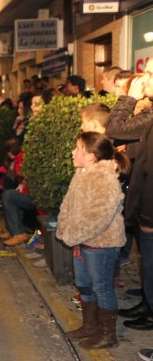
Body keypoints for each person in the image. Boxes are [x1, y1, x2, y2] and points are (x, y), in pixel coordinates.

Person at [56, 131, 129, 349]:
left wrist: (72, 235)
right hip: (83, 241)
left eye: (78, 148)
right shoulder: (82, 172)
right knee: (85, 285)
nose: (73, 152)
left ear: (91, 155)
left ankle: (108, 335)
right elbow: (68, 203)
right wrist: (64, 229)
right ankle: (89, 326)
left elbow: (99, 218)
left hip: (102, 245)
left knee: (102, 288)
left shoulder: (104, 178)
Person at [105, 61, 153, 360]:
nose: (143, 78)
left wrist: (128, 97)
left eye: (149, 73)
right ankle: (148, 306)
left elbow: (114, 128)